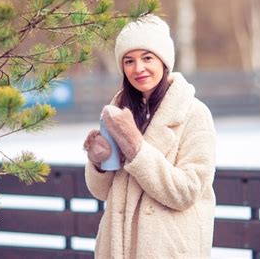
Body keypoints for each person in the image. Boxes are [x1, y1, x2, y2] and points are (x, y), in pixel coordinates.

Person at [83, 14, 216, 259]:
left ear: (164, 61)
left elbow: (186, 192)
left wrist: (136, 146)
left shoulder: (194, 113)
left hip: (167, 249)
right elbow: (102, 192)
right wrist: (99, 162)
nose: (138, 68)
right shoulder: (119, 110)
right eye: (129, 61)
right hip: (117, 248)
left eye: (147, 58)